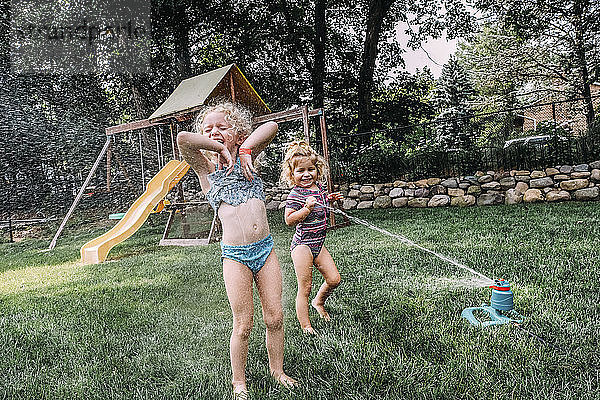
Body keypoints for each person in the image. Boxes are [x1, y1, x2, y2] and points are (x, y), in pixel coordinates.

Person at [177, 102, 297, 399]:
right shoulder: (206, 170)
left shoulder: (249, 159)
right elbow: (183, 139)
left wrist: (244, 150)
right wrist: (219, 148)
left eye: (222, 127)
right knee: (243, 323)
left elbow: (272, 128)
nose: (214, 131)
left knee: (275, 316)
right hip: (236, 257)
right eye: (208, 128)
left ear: (238, 133)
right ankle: (239, 382)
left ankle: (277, 370)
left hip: (265, 251)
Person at [281, 141, 342, 335]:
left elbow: (322, 203)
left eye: (311, 169)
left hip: (318, 243)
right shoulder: (295, 194)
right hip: (303, 246)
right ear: (292, 174)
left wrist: (330, 199)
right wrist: (306, 209)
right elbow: (289, 220)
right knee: (304, 287)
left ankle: (319, 302)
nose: (307, 174)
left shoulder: (319, 188)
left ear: (318, 169)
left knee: (334, 279)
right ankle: (306, 326)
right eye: (300, 171)